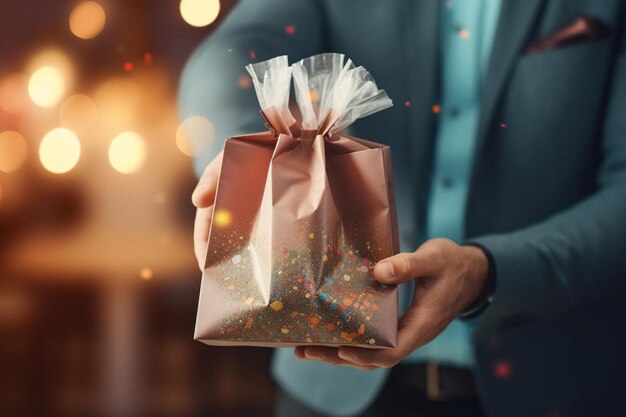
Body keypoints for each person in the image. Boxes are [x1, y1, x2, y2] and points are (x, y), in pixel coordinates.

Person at [179, 1, 626, 416]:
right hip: (331, 390)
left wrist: (489, 272)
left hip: (557, 384)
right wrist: (244, 164)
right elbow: (230, 54)